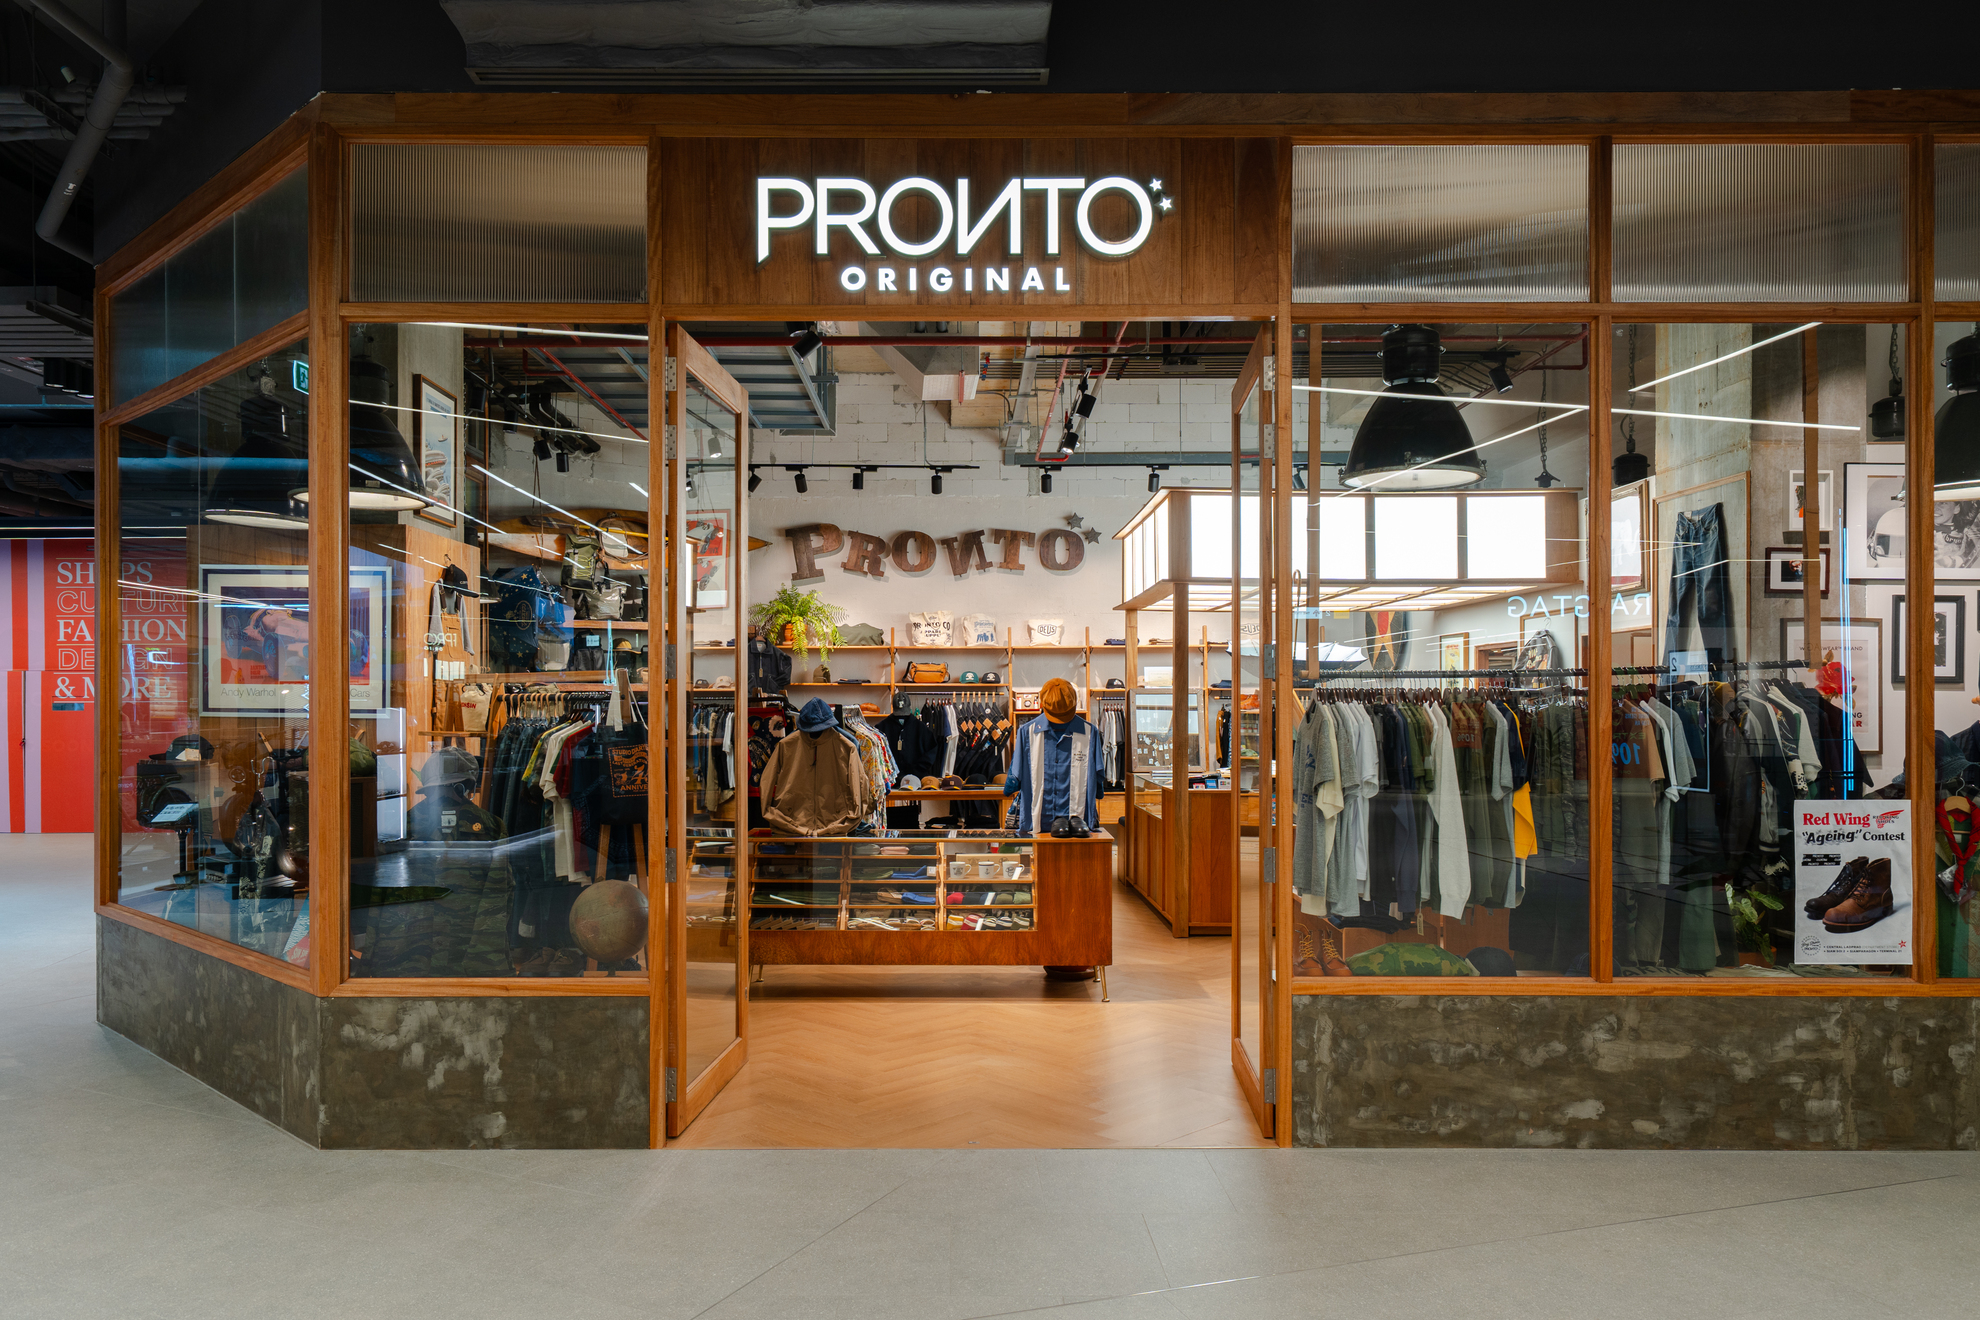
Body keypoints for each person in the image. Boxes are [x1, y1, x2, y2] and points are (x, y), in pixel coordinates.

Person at [1004, 677, 1103, 982]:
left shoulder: (1090, 733)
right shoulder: (1028, 733)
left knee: (1077, 890)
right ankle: (1049, 948)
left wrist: (1008, 789)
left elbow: (1013, 780)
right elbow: (1099, 783)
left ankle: (1072, 949)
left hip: (1072, 828)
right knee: (1043, 889)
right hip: (1039, 826)